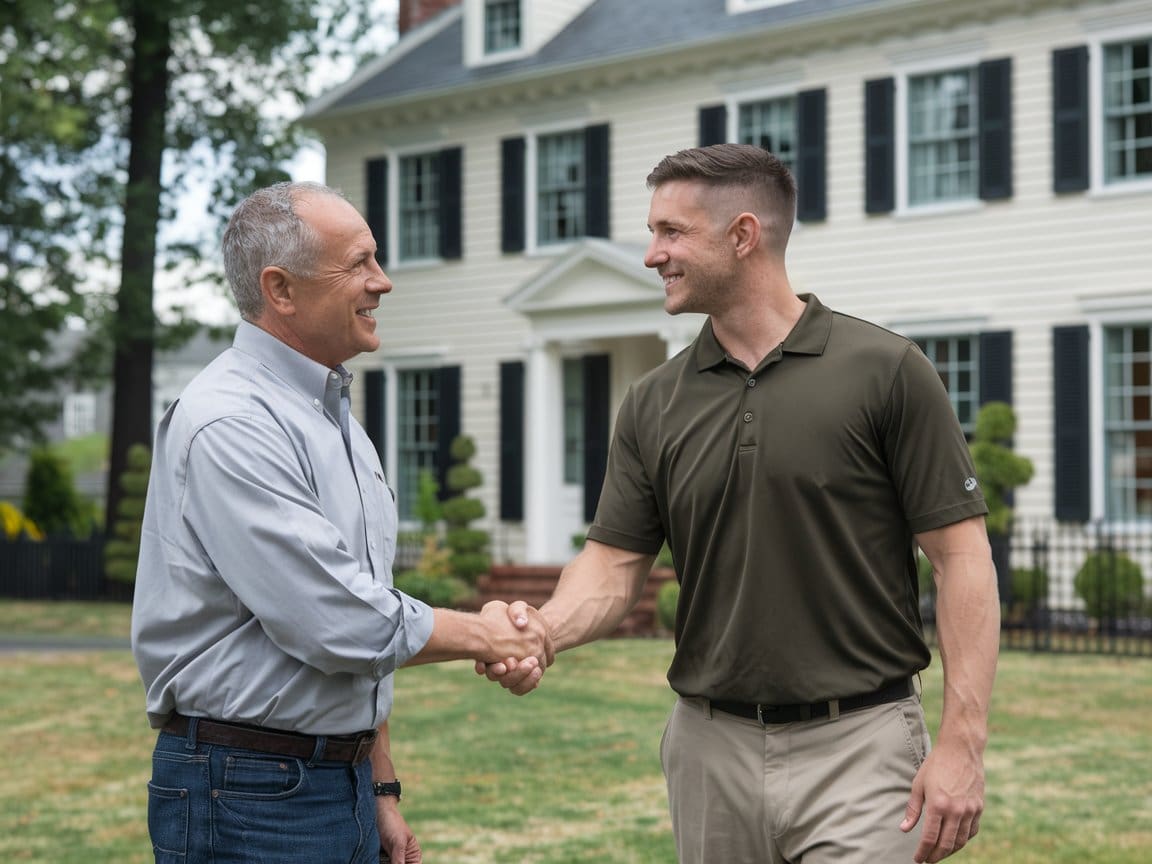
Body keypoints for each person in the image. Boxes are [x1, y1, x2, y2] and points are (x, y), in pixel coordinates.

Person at [484, 144, 1000, 864]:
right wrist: (543, 631)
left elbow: (962, 561)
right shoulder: (653, 401)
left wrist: (961, 744)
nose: (650, 254)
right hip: (708, 749)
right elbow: (612, 563)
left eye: (671, 232)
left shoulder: (885, 372)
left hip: (862, 743)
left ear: (743, 235)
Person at [131, 181, 551, 864]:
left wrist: (378, 784)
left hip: (332, 780)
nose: (382, 282)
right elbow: (332, 619)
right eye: (358, 263)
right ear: (282, 289)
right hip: (246, 796)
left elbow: (361, 612)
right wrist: (486, 634)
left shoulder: (334, 419)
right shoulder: (231, 421)